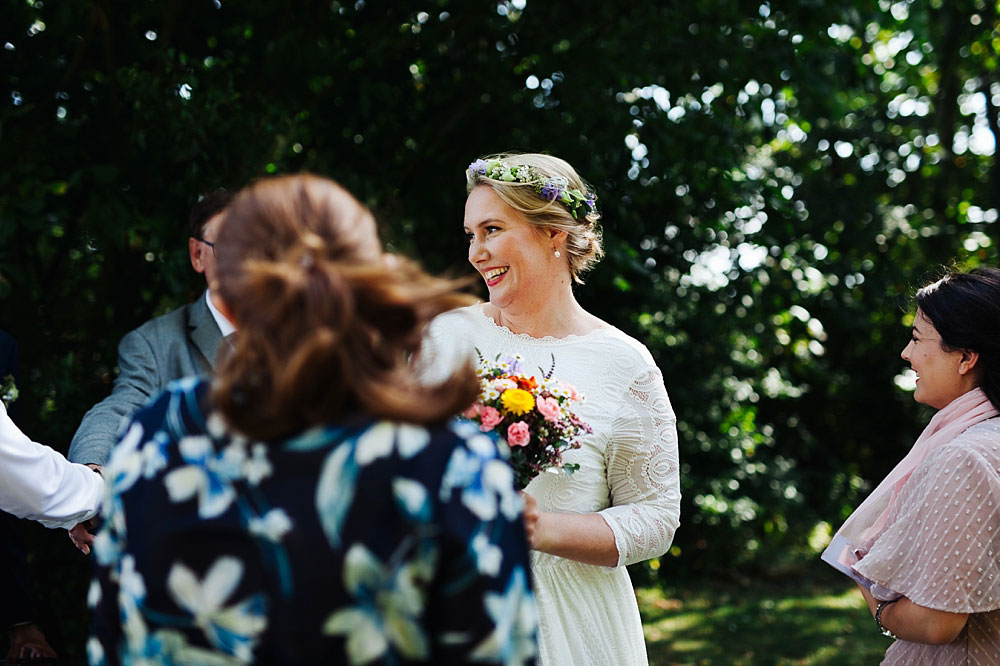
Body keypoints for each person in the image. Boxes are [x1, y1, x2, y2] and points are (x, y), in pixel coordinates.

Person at [89, 174, 538, 665]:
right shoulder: (454, 462)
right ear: (366, 278)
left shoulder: (158, 434)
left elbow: (115, 641)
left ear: (236, 286)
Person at [421, 153, 681, 665]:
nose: (477, 252)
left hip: (571, 622)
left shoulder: (623, 363)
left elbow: (656, 516)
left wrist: (538, 527)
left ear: (553, 233)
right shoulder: (443, 338)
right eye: (471, 234)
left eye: (492, 229)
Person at [822, 267, 1000, 664]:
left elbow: (937, 621)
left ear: (967, 357)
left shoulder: (965, 459)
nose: (906, 353)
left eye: (918, 339)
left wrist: (879, 605)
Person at [69, 190, 236, 469]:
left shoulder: (307, 334)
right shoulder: (155, 343)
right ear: (197, 255)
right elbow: (120, 411)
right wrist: (92, 473)